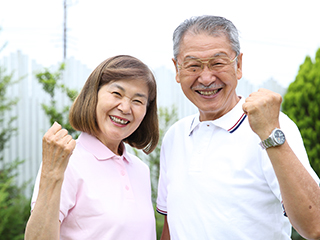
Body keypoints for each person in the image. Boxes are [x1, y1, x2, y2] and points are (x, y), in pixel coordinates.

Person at [156, 15, 320, 240]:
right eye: (193, 66)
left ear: (239, 65)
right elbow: (171, 226)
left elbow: (315, 226)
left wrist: (270, 134)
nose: (205, 78)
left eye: (218, 63)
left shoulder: (273, 127)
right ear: (177, 69)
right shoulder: (175, 136)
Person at [25, 55, 159, 240]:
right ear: (93, 94)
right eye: (117, 94)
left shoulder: (140, 169)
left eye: (138, 101)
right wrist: (51, 174)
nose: (126, 108)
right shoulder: (66, 162)